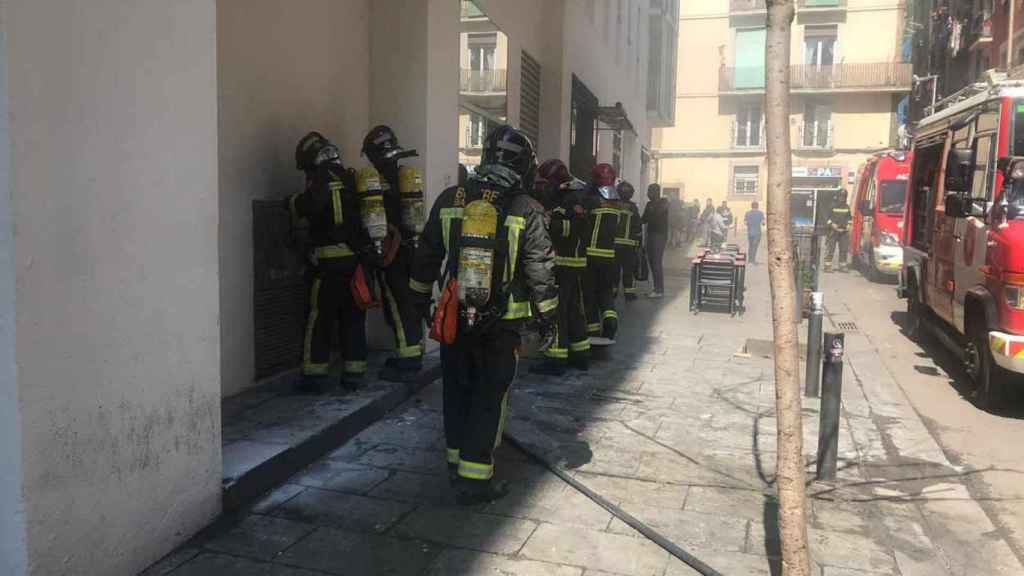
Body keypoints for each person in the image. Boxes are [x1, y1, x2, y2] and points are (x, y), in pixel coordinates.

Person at [409, 125, 557, 505]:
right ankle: (476, 479)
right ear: (523, 165)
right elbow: (540, 268)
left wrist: (419, 302)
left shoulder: (451, 198)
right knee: (490, 396)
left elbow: (426, 255)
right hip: (502, 324)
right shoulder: (528, 208)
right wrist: (547, 318)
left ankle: (455, 464)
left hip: (455, 318)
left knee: (456, 390)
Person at [288, 132, 369, 394]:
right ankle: (354, 375)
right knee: (353, 319)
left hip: (329, 266)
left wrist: (288, 203)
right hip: (356, 264)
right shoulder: (351, 177)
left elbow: (308, 206)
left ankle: (314, 376)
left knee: (320, 318)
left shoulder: (321, 178)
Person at [362, 126, 425, 383]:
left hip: (392, 252)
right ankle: (414, 351)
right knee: (409, 303)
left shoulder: (377, 182)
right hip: (412, 248)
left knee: (397, 304)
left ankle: (407, 360)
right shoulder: (403, 175)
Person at [530, 159, 591, 376]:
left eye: (547, 182)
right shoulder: (572, 194)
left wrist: (547, 223)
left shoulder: (572, 197)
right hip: (572, 263)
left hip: (563, 262)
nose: (544, 187)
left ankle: (556, 359)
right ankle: (580, 354)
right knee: (574, 309)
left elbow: (574, 228)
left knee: (556, 311)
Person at [583, 163, 621, 345]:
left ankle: (592, 329)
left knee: (589, 293)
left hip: (590, 255)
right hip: (609, 256)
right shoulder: (616, 203)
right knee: (605, 292)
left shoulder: (591, 201)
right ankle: (611, 322)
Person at [614, 180, 642, 302]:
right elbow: (637, 226)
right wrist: (639, 243)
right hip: (629, 245)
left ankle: (613, 291)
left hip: (614, 244)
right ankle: (629, 293)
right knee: (628, 270)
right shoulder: (633, 207)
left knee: (614, 269)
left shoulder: (613, 205)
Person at [642, 184, 670, 298]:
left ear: (656, 192)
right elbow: (644, 219)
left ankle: (659, 290)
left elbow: (655, 215)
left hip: (660, 235)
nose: (648, 194)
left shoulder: (664, 203)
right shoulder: (649, 204)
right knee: (651, 261)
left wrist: (651, 210)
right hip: (651, 234)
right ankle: (656, 288)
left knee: (656, 262)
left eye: (650, 191)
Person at [825, 189, 852, 272]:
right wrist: (832, 225)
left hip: (844, 232)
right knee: (831, 249)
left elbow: (849, 218)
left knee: (843, 250)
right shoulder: (832, 206)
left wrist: (848, 225)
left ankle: (842, 266)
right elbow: (827, 218)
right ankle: (827, 266)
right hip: (833, 231)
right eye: (841, 196)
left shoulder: (847, 207)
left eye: (844, 197)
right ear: (838, 196)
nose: (842, 198)